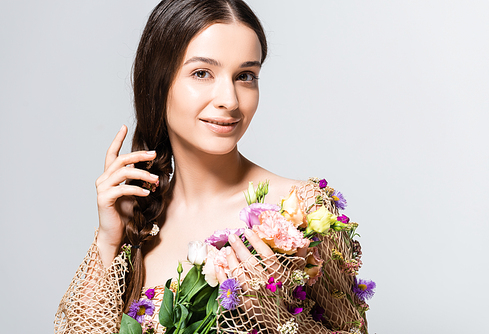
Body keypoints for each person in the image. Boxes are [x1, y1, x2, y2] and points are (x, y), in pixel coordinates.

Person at [55, 1, 369, 333]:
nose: (230, 101)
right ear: (158, 82)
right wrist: (109, 240)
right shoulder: (141, 219)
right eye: (202, 73)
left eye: (245, 76)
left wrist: (273, 312)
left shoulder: (300, 209)